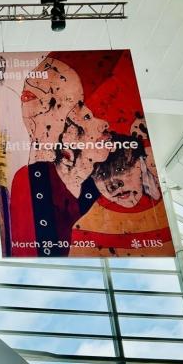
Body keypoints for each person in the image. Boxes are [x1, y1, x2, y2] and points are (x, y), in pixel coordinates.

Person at [9, 102, 112, 256]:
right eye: (87, 117)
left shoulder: (102, 186)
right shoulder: (31, 178)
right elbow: (23, 250)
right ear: (66, 137)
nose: (105, 124)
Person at [69, 134, 174, 257]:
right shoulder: (86, 227)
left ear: (141, 164)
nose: (113, 185)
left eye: (122, 169)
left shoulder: (168, 210)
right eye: (101, 174)